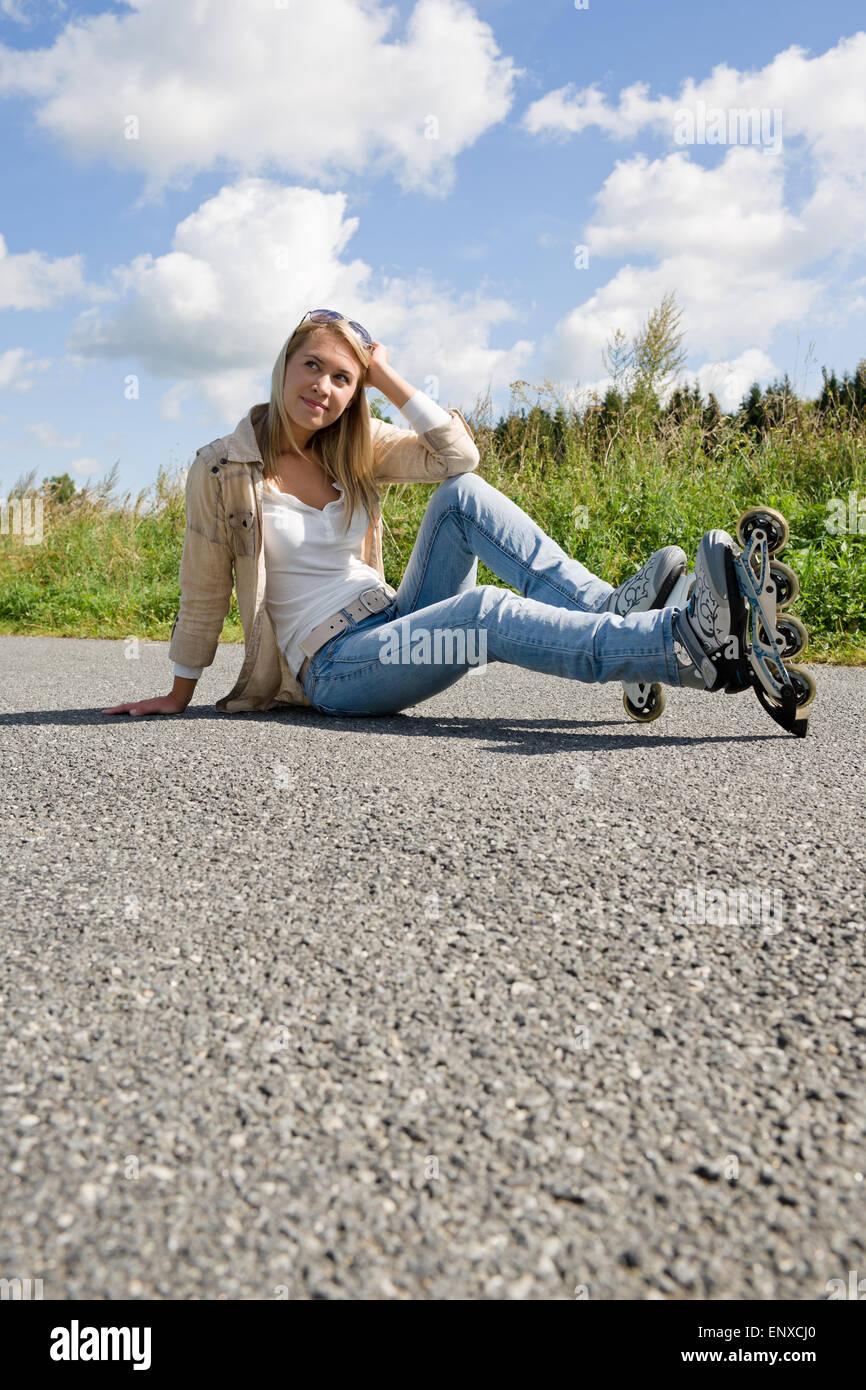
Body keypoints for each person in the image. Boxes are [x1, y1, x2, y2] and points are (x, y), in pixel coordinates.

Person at [101, 309, 743, 721]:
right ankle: (676, 645)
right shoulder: (223, 469)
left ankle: (615, 612)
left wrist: (386, 375)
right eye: (312, 366)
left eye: (343, 378)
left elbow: (458, 457)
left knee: (461, 497)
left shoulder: (354, 445)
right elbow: (204, 587)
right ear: (285, 368)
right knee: (482, 614)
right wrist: (178, 692)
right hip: (338, 666)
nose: (323, 387)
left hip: (395, 617)